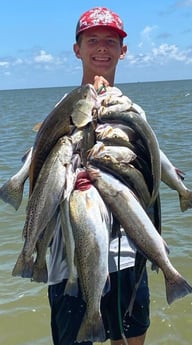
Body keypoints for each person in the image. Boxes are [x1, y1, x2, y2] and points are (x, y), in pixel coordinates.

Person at [48, 7, 150, 345]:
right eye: (93, 40)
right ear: (77, 49)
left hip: (125, 251)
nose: (102, 48)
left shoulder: (131, 110)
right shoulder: (64, 109)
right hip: (71, 256)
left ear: (124, 50)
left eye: (111, 41)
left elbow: (146, 177)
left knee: (131, 338)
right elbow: (43, 178)